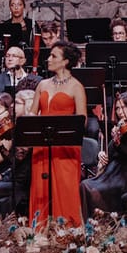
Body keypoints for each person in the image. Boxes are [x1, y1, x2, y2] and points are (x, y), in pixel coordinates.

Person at [28, 41, 86, 227]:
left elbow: (82, 119)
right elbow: (32, 113)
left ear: (66, 61)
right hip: (42, 145)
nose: (49, 59)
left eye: (54, 56)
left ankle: (67, 234)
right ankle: (40, 232)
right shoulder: (42, 84)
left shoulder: (76, 87)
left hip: (65, 147)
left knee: (65, 188)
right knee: (41, 190)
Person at [81, 92, 127, 214]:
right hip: (113, 171)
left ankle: (106, 220)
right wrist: (101, 154)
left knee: (95, 189)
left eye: (123, 108)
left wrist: (117, 141)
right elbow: (109, 152)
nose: (120, 112)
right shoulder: (120, 126)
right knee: (84, 185)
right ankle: (89, 223)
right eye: (117, 108)